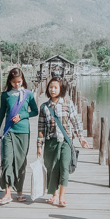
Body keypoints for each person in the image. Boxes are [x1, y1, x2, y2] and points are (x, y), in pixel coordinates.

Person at [37, 77, 87, 207]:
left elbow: (76, 122)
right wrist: (39, 146)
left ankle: (62, 196)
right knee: (52, 168)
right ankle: (53, 195)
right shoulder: (44, 107)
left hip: (65, 141)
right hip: (50, 142)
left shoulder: (68, 104)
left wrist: (81, 138)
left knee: (64, 167)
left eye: (55, 87)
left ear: (61, 89)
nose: (52, 90)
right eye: (50, 87)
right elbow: (41, 128)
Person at [0, 67, 39, 205]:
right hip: (8, 132)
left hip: (23, 132)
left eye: (19, 82)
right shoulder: (5, 95)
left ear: (23, 80)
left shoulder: (28, 94)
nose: (17, 84)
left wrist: (22, 115)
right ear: (10, 81)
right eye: (14, 82)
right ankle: (8, 193)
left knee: (20, 162)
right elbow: (1, 113)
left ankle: (19, 191)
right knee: (7, 161)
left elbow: (35, 111)